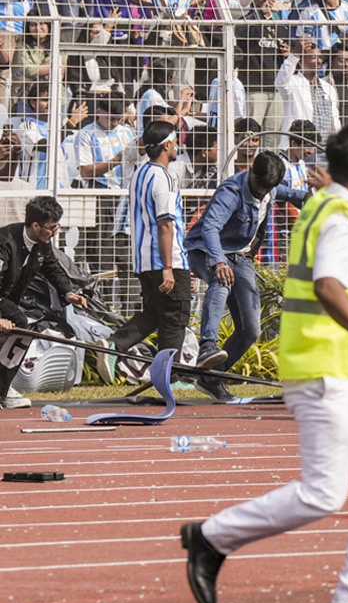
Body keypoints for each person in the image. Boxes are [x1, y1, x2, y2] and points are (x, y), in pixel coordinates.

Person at [180, 125, 348, 603]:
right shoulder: (339, 218)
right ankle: (211, 537)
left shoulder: (334, 205)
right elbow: (329, 283)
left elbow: (337, 201)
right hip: (328, 369)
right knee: (324, 494)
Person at [184, 150, 320, 400]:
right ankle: (207, 347)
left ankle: (211, 378)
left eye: (267, 189)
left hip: (241, 257)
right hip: (205, 250)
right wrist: (219, 262)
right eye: (258, 186)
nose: (261, 193)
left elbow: (300, 197)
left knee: (250, 330)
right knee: (221, 279)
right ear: (251, 173)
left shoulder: (271, 188)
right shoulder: (231, 192)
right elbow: (211, 228)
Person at [97, 121, 201, 383]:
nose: (177, 146)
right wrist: (169, 267)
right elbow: (166, 224)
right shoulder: (165, 177)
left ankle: (115, 344)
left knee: (155, 314)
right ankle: (171, 376)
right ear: (167, 145)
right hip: (166, 260)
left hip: (143, 261)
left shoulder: (139, 175)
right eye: (175, 141)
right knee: (176, 318)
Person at [0, 196, 90, 410]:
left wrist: (68, 293)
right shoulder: (4, 242)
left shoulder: (43, 244)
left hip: (7, 300)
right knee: (20, 321)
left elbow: (52, 268)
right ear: (35, 225)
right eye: (52, 228)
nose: (55, 233)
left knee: (22, 327)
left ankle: (3, 389)